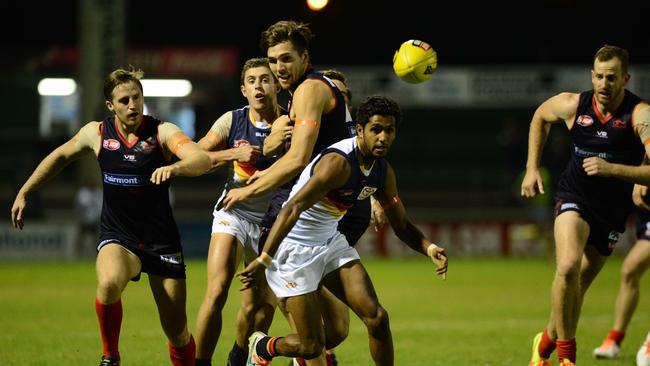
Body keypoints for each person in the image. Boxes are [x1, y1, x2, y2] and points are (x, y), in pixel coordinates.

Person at [10, 67, 212, 366]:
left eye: (137, 97)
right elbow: (60, 156)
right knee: (107, 284)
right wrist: (25, 191)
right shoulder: (98, 133)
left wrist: (176, 167)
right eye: (124, 100)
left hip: (161, 242)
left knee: (177, 332)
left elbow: (201, 158)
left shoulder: (162, 132)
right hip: (119, 237)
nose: (133, 105)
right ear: (110, 105)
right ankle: (110, 356)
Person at [236, 95, 448, 366]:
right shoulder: (338, 163)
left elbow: (402, 225)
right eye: (376, 129)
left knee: (376, 318)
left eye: (390, 130)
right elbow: (292, 207)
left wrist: (429, 248)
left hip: (329, 242)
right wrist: (265, 258)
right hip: (291, 248)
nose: (383, 137)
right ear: (360, 130)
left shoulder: (382, 172)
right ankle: (264, 346)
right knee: (311, 346)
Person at [219, 20, 364, 365]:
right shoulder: (302, 94)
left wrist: (249, 187)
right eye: (273, 60)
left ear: (304, 56)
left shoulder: (309, 91)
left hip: (316, 220)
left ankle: (260, 349)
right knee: (269, 313)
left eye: (286, 59)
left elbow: (299, 159)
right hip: (295, 223)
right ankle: (243, 356)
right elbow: (299, 159)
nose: (278, 68)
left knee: (334, 330)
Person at [521, 44, 650, 366]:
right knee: (566, 268)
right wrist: (531, 168)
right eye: (599, 77)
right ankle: (567, 357)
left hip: (612, 211)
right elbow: (540, 116)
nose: (604, 84)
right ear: (592, 76)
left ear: (625, 78)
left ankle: (545, 342)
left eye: (612, 78)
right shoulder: (573, 105)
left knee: (578, 286)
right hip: (574, 197)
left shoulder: (640, 115)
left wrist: (615, 170)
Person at [193, 58, 283, 366]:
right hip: (234, 212)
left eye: (266, 79)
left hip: (274, 223)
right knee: (217, 290)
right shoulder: (232, 121)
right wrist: (234, 152)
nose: (259, 86)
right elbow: (196, 155)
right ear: (243, 89)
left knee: (258, 306)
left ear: (277, 85)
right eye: (253, 81)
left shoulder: (293, 123)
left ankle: (242, 354)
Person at [592, 185, 650, 364]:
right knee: (629, 272)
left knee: (631, 266)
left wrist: (643, 176)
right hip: (646, 210)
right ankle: (614, 339)